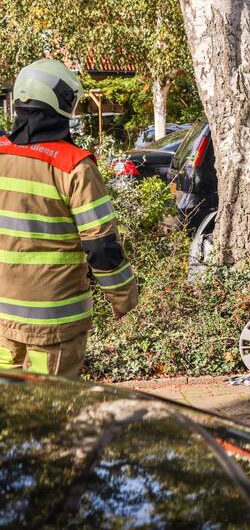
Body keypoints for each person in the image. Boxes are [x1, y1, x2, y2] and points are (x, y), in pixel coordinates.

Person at [0, 59, 138, 376]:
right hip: (53, 323)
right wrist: (123, 297)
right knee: (49, 412)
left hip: (3, 317)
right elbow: (101, 246)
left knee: (10, 409)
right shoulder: (74, 166)